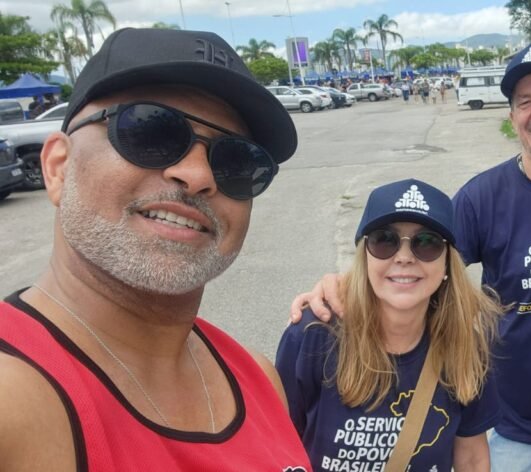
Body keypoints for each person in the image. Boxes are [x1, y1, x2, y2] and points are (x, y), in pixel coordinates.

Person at [291, 43, 531, 471]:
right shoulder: (483, 198)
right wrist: (341, 285)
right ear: (512, 116)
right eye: (524, 102)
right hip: (520, 428)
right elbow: (416, 260)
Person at [0, 28, 311, 470]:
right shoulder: (12, 399)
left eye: (238, 160)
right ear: (58, 168)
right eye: (150, 130)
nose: (198, 175)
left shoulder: (258, 380)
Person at [277, 179, 502, 471]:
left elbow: (471, 457)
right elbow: (276, 445)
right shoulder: (312, 336)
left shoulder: (465, 346)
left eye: (427, 243)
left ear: (447, 263)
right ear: (365, 256)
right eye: (385, 240)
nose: (404, 258)